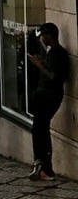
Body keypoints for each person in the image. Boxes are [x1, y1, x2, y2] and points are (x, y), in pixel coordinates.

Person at [28, 22, 71, 181]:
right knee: (39, 129)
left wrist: (38, 65)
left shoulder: (57, 53)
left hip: (49, 96)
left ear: (49, 35)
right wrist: (43, 63)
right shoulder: (55, 53)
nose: (42, 39)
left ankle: (45, 167)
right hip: (47, 96)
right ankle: (41, 164)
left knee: (40, 129)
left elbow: (54, 76)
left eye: (43, 35)